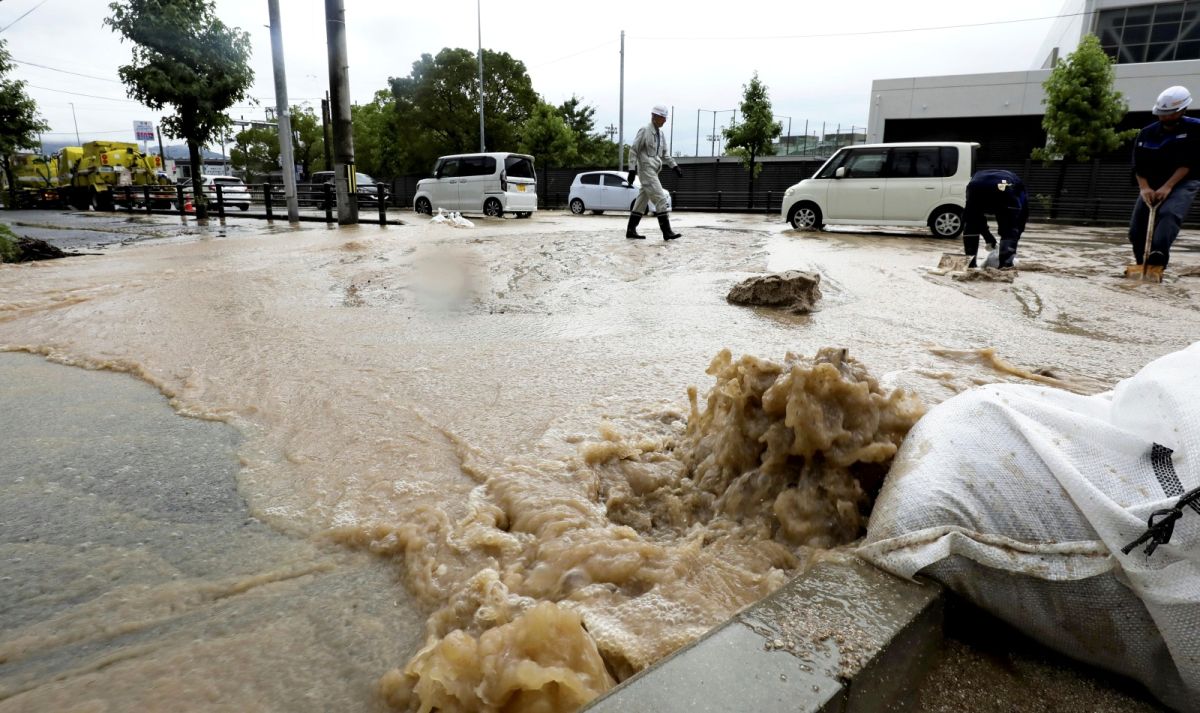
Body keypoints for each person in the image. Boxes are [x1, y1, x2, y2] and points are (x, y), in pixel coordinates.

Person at [1129, 85, 1200, 274]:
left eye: (1171, 114)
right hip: (1150, 183)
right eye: (1162, 113)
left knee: (1169, 214)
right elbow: (1138, 164)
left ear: (1183, 110)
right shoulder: (1146, 133)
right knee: (1136, 230)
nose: (1166, 117)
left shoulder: (1195, 129)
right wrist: (1144, 188)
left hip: (1183, 181)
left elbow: (1189, 162)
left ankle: (1158, 258)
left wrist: (1168, 186)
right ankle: (1141, 264)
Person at [626, 105, 683, 240]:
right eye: (663, 117)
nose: (664, 120)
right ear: (654, 116)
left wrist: (675, 167)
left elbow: (665, 154)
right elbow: (633, 150)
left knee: (641, 201)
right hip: (646, 170)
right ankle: (666, 231)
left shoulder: (661, 134)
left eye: (665, 118)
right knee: (660, 198)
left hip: (654, 170)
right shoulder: (645, 130)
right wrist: (631, 169)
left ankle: (631, 230)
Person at [960, 169, 1028, 268]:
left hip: (976, 187)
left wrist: (988, 237)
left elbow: (974, 218)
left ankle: (970, 264)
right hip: (1005, 190)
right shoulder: (1018, 185)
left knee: (971, 223)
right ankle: (1005, 267)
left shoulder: (977, 176)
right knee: (1009, 230)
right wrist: (1014, 235)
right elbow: (1021, 217)